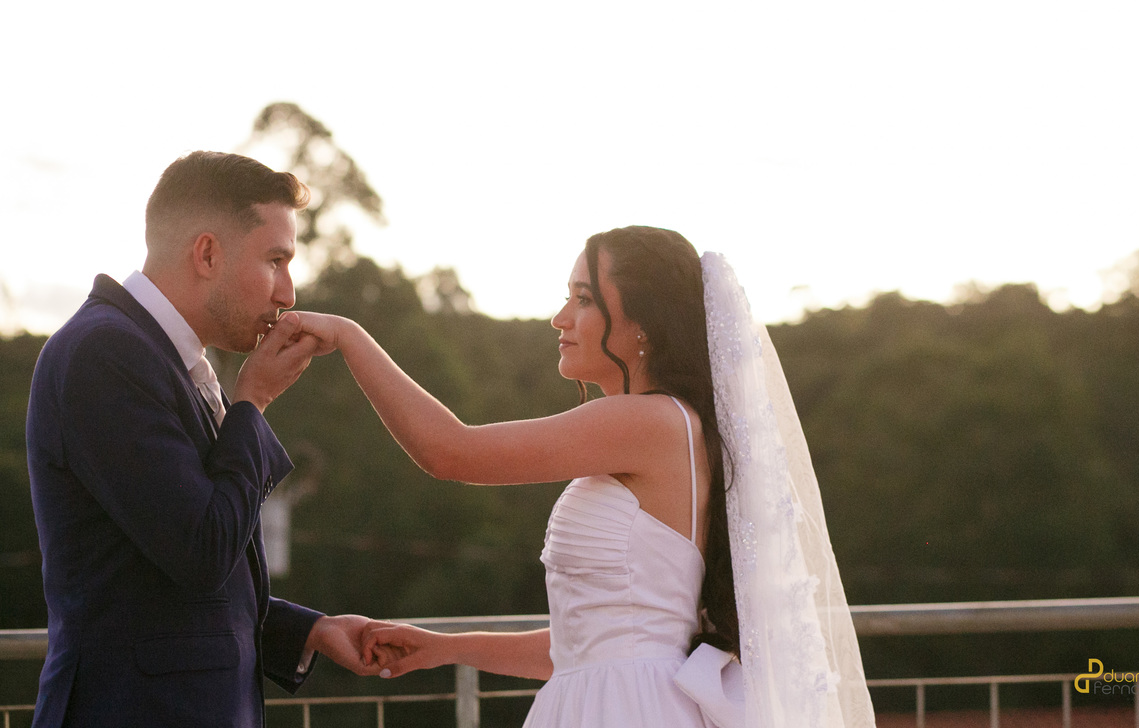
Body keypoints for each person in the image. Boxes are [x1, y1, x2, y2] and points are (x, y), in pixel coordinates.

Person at [292, 226, 877, 727]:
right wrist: (441, 647)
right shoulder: (663, 426)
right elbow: (590, 647)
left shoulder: (650, 420)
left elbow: (451, 452)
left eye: (584, 298)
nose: (560, 318)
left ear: (644, 322)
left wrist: (349, 336)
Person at [25, 151, 386, 728]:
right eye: (275, 260)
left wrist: (311, 630)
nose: (288, 293)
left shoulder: (166, 357)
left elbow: (169, 584)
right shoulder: (103, 352)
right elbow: (201, 550)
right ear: (208, 253)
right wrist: (253, 402)